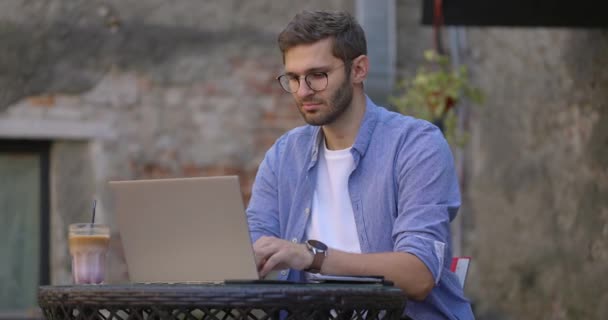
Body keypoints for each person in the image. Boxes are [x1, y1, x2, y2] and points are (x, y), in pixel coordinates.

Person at [246, 10, 474, 320]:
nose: (302, 91)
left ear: (359, 70)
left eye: (317, 75)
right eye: (294, 78)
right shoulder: (285, 155)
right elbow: (250, 249)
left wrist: (311, 256)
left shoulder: (417, 145)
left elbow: (418, 274)